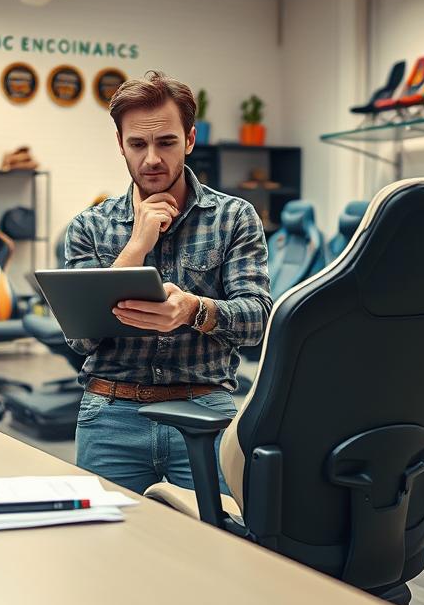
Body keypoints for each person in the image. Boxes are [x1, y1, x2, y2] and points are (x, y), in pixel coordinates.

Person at [65, 71, 272, 494]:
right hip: (110, 416)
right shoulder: (89, 226)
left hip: (204, 411)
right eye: (138, 144)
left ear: (190, 140)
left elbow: (259, 320)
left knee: (216, 551)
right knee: (106, 552)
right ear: (121, 144)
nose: (152, 159)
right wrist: (136, 247)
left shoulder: (234, 217)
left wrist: (194, 310)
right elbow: (79, 337)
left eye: (166, 142)